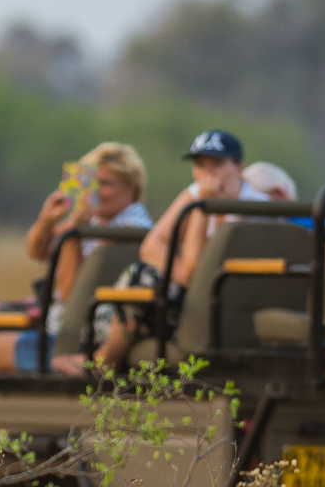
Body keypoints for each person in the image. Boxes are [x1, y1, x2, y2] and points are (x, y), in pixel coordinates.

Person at [56, 130, 268, 376]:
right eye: (200, 165)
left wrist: (201, 211)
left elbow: (193, 270)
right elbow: (152, 246)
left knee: (141, 279)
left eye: (218, 164)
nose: (207, 174)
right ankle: (101, 357)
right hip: (196, 296)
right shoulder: (196, 194)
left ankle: (102, 361)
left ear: (239, 167)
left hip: (224, 304)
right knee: (143, 280)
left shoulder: (254, 208)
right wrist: (183, 276)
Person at [0, 142, 152, 375]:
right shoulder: (100, 222)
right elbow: (37, 251)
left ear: (132, 188)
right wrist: (47, 221)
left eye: (106, 184)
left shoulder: (128, 230)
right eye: (91, 183)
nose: (95, 192)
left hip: (78, 337)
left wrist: (73, 231)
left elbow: (71, 294)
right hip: (71, 328)